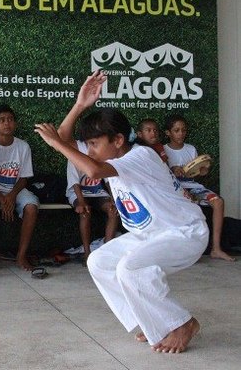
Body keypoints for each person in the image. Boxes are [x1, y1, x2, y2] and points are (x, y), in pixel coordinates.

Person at [35, 71, 208, 354]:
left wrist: (55, 143)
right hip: (150, 234)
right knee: (100, 261)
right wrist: (80, 104)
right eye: (87, 144)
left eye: (94, 144)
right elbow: (66, 139)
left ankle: (183, 323)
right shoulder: (110, 154)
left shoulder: (140, 155)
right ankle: (151, 321)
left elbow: (89, 167)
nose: (89, 150)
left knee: (131, 267)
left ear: (117, 140)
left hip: (184, 232)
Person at [0, 104, 39, 271]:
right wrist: (2, 198)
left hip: (15, 190)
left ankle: (21, 256)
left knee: (31, 206)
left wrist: (10, 196)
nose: (7, 123)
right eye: (2, 120)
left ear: (15, 124)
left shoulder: (23, 146)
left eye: (10, 120)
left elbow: (24, 178)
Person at [163, 114, 234, 262]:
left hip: (193, 187)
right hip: (175, 190)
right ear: (168, 133)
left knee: (218, 202)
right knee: (188, 205)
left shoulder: (190, 149)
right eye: (176, 130)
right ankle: (182, 252)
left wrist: (203, 171)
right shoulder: (163, 150)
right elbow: (162, 175)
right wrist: (173, 170)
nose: (181, 133)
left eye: (183, 130)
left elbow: (195, 172)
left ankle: (216, 248)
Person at [65, 145, 118, 266]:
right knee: (84, 212)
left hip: (98, 192)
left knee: (113, 210)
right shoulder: (74, 154)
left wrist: (114, 199)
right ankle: (87, 253)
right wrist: (82, 202)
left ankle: (107, 252)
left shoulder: (101, 154)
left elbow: (108, 181)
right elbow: (74, 182)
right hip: (78, 194)